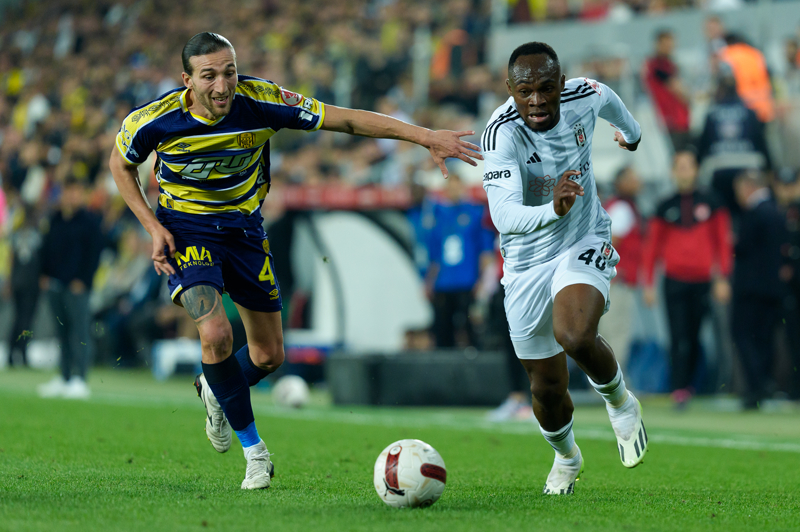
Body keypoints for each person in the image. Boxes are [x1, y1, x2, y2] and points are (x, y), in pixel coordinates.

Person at [108, 32, 482, 490]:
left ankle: (215, 387)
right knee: (216, 334)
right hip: (187, 232)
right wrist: (152, 226)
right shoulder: (154, 119)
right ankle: (255, 453)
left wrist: (425, 137)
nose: (222, 86)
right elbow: (120, 164)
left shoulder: (263, 101)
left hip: (245, 231)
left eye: (229, 72)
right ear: (187, 80)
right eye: (209, 76)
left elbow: (346, 120)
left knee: (268, 356)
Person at [482, 41, 646, 496]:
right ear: (510, 89)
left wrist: (632, 135)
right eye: (525, 91)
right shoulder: (500, 134)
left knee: (573, 335)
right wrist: (552, 209)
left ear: (562, 83)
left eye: (546, 88)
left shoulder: (584, 95)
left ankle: (620, 402)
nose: (536, 100)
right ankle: (567, 457)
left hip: (583, 237)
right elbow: (504, 216)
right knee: (546, 389)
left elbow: (609, 98)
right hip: (524, 264)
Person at [641, 150, 733, 408]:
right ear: (673, 172)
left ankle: (690, 385)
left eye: (688, 166)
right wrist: (648, 283)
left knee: (694, 336)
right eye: (679, 167)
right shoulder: (664, 206)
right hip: (674, 280)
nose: (684, 172)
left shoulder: (712, 202)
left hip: (702, 280)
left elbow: (722, 242)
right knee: (677, 335)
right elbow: (651, 247)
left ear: (696, 170)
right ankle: (679, 388)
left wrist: (722, 278)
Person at [36, 177, 104, 399]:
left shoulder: (90, 221)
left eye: (76, 191)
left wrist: (84, 280)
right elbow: (46, 248)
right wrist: (44, 274)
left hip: (77, 287)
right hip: (55, 284)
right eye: (69, 191)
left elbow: (94, 254)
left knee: (80, 332)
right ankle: (64, 377)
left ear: (82, 194)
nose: (72, 195)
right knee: (61, 332)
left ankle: (80, 379)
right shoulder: (55, 219)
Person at [731, 170, 785, 409]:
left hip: (750, 289)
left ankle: (756, 386)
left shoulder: (755, 214)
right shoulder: (777, 211)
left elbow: (743, 248)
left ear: (747, 188)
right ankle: (765, 383)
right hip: (772, 288)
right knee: (764, 338)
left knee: (743, 335)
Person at [425, 173, 494, 348]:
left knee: (470, 327)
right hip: (444, 283)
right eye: (450, 187)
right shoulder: (439, 215)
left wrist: (482, 280)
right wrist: (429, 281)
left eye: (457, 186)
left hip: (467, 281)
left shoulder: (475, 213)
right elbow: (434, 255)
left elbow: (485, 251)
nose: (454, 191)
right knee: (443, 330)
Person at [599, 166, 644, 371]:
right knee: (615, 331)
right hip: (616, 281)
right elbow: (608, 243)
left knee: (611, 331)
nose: (638, 183)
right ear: (621, 183)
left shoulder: (620, 206)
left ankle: (605, 379)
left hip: (612, 280)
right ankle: (610, 380)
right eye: (633, 179)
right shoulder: (622, 208)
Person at [642, 30, 691, 151]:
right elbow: (678, 89)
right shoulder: (657, 65)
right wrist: (690, 97)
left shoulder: (668, 64)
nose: (670, 48)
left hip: (677, 120)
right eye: (666, 44)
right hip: (670, 120)